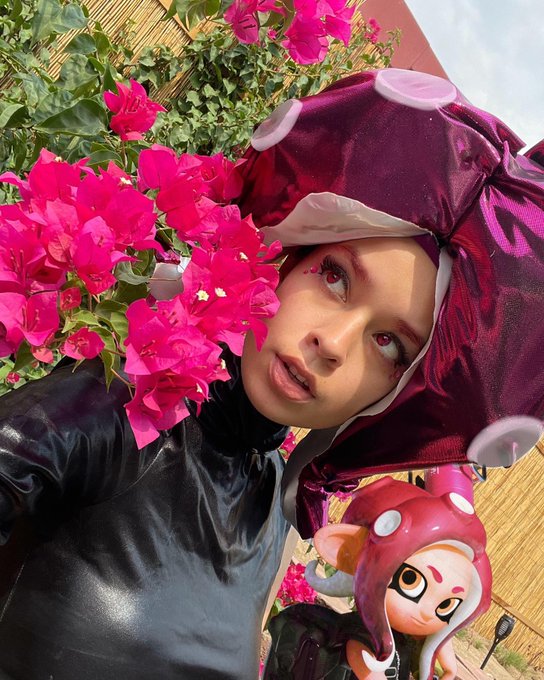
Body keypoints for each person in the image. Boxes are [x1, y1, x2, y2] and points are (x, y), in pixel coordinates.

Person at [0, 68, 542, 679]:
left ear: (392, 394)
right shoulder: (125, 413)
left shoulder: (273, 504)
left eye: (389, 343)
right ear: (285, 261)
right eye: (335, 277)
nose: (332, 343)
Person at [263, 473, 491, 680]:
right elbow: (369, 672)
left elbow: (448, 667)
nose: (426, 613)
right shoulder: (362, 634)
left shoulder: (408, 639)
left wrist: (443, 660)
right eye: (410, 580)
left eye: (446, 605)